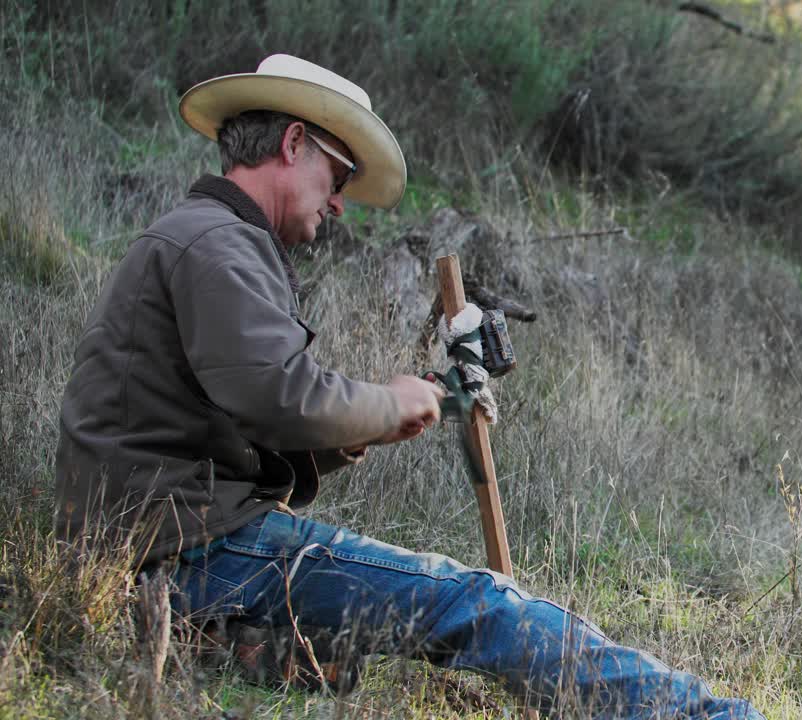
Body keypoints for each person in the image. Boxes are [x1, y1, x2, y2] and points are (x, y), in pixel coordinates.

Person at [53, 54, 764, 719]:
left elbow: (247, 419)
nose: (338, 205)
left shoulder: (207, 238)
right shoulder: (217, 244)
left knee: (340, 654)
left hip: (165, 544)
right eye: (337, 178)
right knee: (479, 605)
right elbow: (278, 396)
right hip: (192, 551)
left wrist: (382, 419)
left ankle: (217, 639)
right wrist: (387, 402)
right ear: (293, 142)